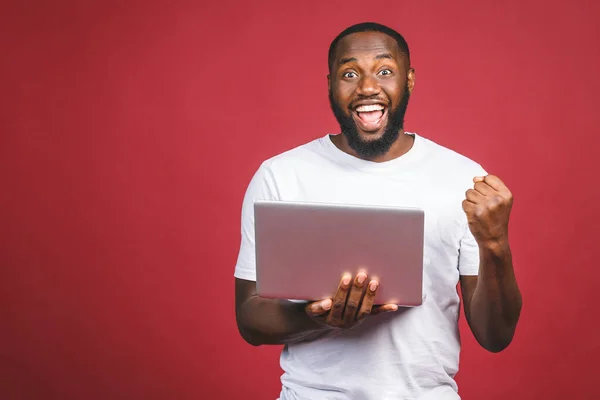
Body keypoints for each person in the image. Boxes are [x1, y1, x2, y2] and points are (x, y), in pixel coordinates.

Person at [233, 22, 522, 400]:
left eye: (385, 71)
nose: (367, 87)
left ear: (410, 80)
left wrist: (496, 244)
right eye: (349, 73)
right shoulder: (280, 175)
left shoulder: (463, 178)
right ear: (330, 85)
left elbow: (495, 335)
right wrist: (318, 318)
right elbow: (250, 319)